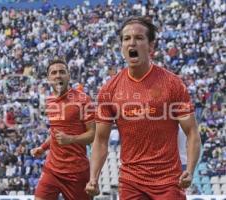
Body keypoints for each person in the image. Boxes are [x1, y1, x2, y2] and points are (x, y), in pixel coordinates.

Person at [85, 16, 201, 200]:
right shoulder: (109, 90)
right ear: (122, 47)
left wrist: (190, 169)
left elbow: (192, 132)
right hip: (131, 181)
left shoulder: (172, 84)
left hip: (168, 181)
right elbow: (100, 140)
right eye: (126, 38)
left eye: (139, 38)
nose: (132, 43)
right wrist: (93, 178)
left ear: (151, 46)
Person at [30, 58, 95, 200]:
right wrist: (42, 148)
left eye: (61, 72)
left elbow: (93, 135)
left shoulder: (83, 99)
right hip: (52, 169)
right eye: (53, 73)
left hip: (76, 171)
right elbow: (55, 132)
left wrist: (71, 139)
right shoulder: (48, 101)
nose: (58, 75)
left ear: (68, 76)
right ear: (48, 78)